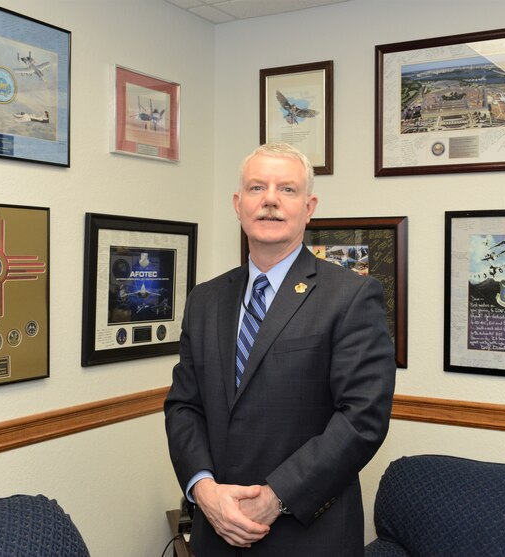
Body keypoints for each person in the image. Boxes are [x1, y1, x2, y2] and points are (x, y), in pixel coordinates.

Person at [164, 142, 396, 556]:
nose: (270, 199)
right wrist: (204, 490)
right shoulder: (205, 299)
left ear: (309, 207)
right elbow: (184, 406)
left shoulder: (351, 296)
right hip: (215, 530)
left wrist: (276, 497)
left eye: (286, 189)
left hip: (307, 535)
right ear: (239, 204)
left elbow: (362, 419)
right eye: (257, 188)